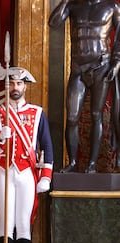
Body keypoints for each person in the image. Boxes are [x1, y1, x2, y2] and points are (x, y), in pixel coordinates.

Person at [0, 67, 53, 243]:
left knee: (24, 224)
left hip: (26, 173)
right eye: (11, 84)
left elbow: (47, 145)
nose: (15, 88)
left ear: (25, 86)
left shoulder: (37, 112)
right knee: (6, 224)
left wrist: (46, 176)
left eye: (19, 84)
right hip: (4, 170)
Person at [49, 0, 120, 173]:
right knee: (72, 117)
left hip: (101, 67)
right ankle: (72, 162)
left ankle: (92, 165)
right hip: (78, 69)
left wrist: (117, 62)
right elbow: (53, 23)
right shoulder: (74, 6)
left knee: (97, 115)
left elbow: (119, 38)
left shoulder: (112, 7)